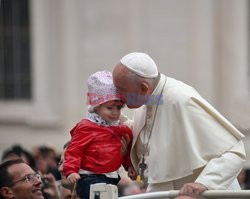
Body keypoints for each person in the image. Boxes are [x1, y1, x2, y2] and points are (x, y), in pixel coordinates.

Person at [112, 52, 246, 195]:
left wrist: (205, 183)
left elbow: (234, 152)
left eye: (121, 89)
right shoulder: (147, 101)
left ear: (144, 88)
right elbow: (154, 139)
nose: (116, 95)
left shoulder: (182, 100)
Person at [63, 70, 136, 199]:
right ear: (96, 107)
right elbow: (74, 150)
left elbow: (124, 150)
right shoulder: (86, 127)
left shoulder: (119, 129)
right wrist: (70, 171)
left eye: (119, 108)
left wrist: (129, 165)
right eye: (110, 108)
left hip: (112, 178)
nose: (115, 112)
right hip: (89, 178)